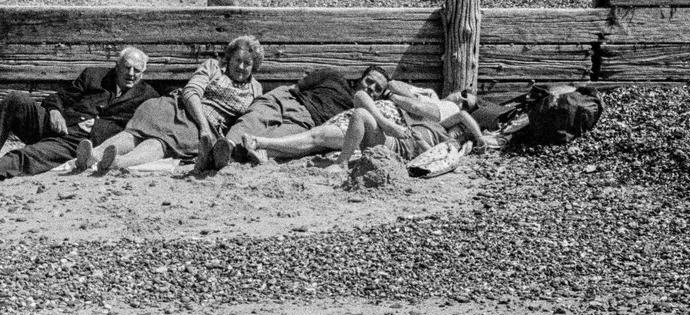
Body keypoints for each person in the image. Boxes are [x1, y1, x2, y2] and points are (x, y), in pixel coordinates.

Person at [0, 47, 157, 187]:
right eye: (126, 67)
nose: (131, 74)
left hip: (78, 141)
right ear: (117, 66)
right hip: (55, 123)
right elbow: (59, 97)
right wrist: (55, 111)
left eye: (137, 70)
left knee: (31, 154)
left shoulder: (147, 97)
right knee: (15, 99)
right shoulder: (94, 75)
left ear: (143, 72)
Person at [73, 36, 264, 174]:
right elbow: (191, 92)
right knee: (138, 130)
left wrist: (221, 138)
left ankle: (116, 162)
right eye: (237, 60)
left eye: (247, 63)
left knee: (162, 141)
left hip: (206, 128)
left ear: (254, 66)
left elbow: (247, 121)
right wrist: (203, 125)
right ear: (229, 58)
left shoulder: (256, 89)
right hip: (181, 107)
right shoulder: (213, 67)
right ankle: (94, 155)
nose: (240, 67)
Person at [234, 65, 401, 164]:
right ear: (360, 79)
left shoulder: (353, 115)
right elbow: (301, 85)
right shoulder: (334, 77)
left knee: (272, 141)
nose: (371, 88)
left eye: (378, 89)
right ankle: (227, 144)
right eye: (369, 81)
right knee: (253, 117)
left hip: (306, 121)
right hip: (288, 98)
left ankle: (230, 154)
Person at [327, 76, 486, 173]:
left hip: (393, 148)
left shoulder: (449, 142)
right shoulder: (436, 120)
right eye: (464, 95)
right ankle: (385, 124)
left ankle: (342, 163)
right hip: (390, 129)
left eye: (463, 131)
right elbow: (463, 115)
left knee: (360, 114)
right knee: (360, 96)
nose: (461, 101)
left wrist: (421, 141)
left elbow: (436, 157)